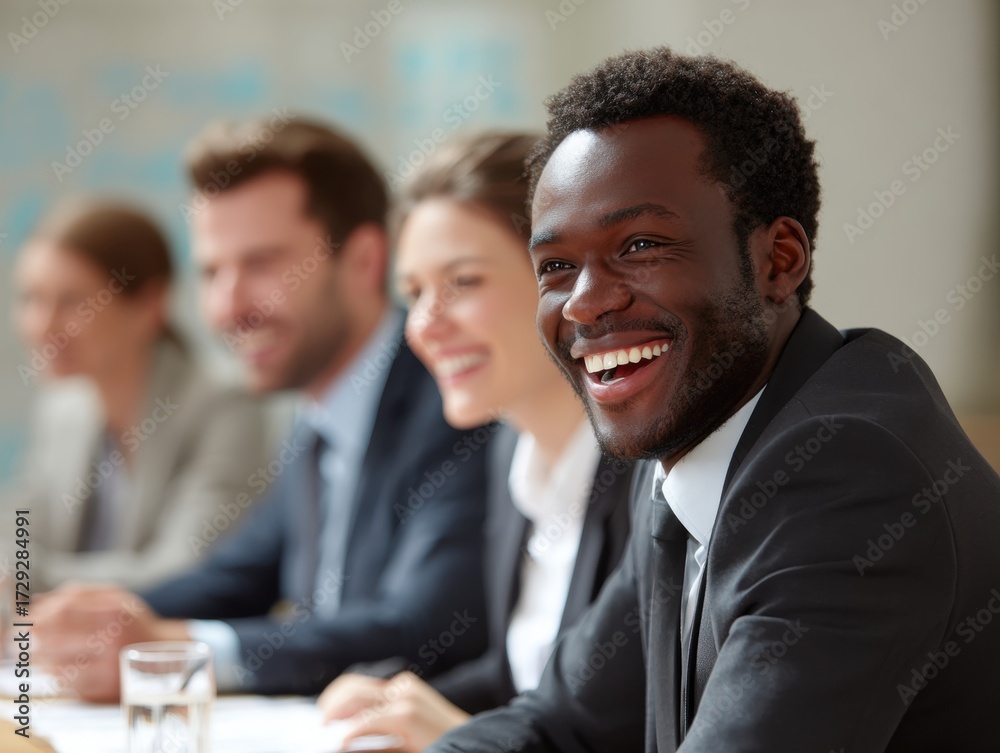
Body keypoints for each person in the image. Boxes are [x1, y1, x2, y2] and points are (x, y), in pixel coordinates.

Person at [428, 48, 1000, 753]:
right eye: (555, 266)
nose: (585, 302)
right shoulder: (692, 448)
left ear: (778, 260)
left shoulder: (849, 471)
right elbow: (560, 721)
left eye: (639, 245)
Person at [33, 116, 490, 702]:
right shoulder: (319, 415)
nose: (228, 306)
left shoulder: (454, 397)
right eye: (212, 271)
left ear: (364, 261)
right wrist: (79, 628)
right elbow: (236, 578)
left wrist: (185, 652)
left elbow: (421, 627)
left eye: (262, 264)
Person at [315, 133, 635, 752]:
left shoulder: (644, 479)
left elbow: (632, 729)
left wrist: (464, 738)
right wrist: (396, 694)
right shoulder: (511, 455)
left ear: (561, 280)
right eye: (412, 293)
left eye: (462, 281)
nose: (425, 325)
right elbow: (523, 681)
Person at [6, 200, 265, 591]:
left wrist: (21, 578)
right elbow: (21, 530)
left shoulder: (226, 406)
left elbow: (183, 570)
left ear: (150, 304)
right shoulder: (62, 409)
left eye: (72, 301)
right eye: (31, 298)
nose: (42, 326)